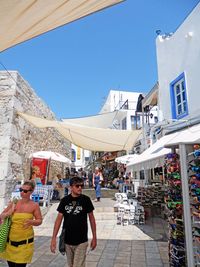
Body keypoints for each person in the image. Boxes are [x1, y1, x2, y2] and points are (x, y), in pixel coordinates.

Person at [50, 177, 97, 267]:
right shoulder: (64, 201)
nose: (80, 188)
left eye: (81, 186)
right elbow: (58, 220)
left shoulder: (86, 200)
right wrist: (53, 238)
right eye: (77, 186)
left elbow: (92, 218)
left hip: (81, 240)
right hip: (67, 241)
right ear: (71, 187)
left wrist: (94, 237)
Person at [0, 181, 42, 267]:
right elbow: (1, 216)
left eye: (25, 191)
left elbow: (39, 220)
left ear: (31, 191)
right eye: (21, 190)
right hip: (10, 244)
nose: (22, 192)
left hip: (24, 245)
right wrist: (9, 212)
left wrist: (32, 222)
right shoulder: (14, 203)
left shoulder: (34, 205)